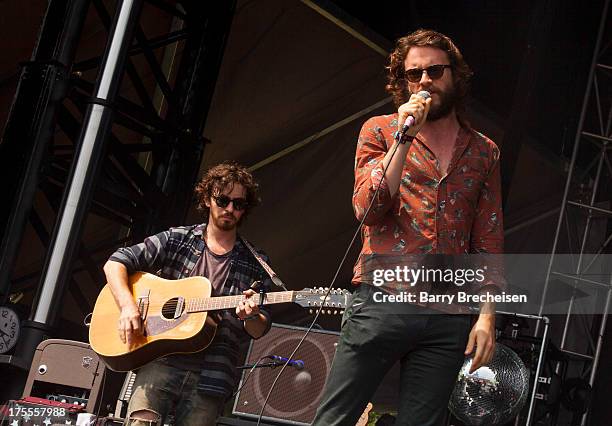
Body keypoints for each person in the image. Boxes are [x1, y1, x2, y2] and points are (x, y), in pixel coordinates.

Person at [313, 29, 504, 426]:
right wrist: (404, 138)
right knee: (335, 419)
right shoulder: (380, 130)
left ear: (455, 75)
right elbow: (368, 209)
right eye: (412, 74)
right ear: (401, 82)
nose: (423, 81)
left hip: (448, 314)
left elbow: (488, 239)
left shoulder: (484, 151)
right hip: (382, 300)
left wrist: (487, 317)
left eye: (434, 70)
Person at [103, 162, 273, 426]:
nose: (229, 209)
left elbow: (258, 329)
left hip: (213, 376)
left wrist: (250, 316)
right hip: (160, 360)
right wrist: (127, 306)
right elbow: (115, 262)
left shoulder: (256, 262)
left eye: (238, 204)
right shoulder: (178, 239)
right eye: (223, 200)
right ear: (207, 198)